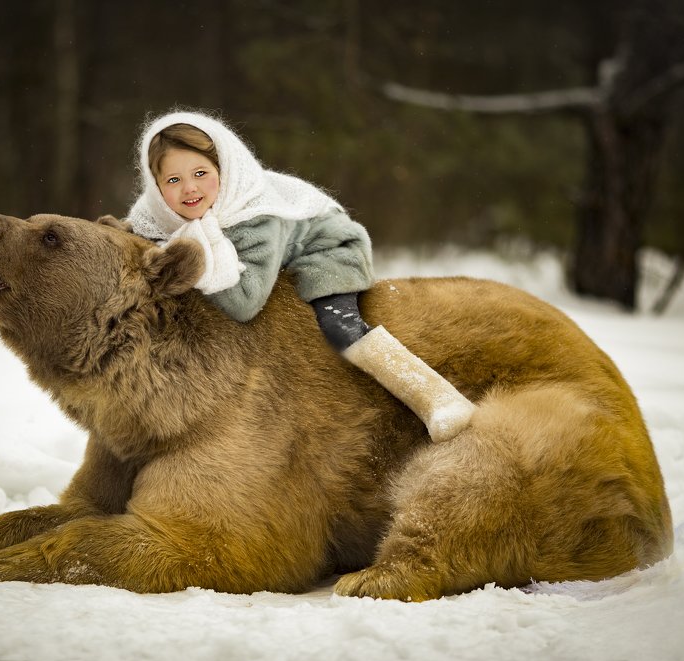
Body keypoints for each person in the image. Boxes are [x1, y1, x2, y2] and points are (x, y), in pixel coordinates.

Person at [126, 110, 474, 442]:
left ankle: (435, 398)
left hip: (326, 249)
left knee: (339, 328)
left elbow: (244, 303)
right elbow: (139, 236)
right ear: (156, 189)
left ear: (224, 169)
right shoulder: (154, 214)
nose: (189, 188)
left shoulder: (255, 217)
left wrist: (198, 258)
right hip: (279, 254)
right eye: (173, 180)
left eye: (201, 173)